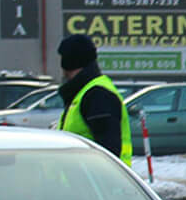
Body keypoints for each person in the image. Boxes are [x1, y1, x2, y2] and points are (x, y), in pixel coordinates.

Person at [55, 34, 132, 164]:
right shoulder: (82, 93)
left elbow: (108, 152)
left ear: (69, 61)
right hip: (85, 181)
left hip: (97, 182)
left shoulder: (97, 95)